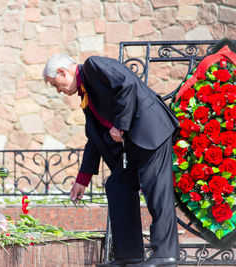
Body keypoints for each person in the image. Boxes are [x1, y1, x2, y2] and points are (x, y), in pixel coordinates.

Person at [42, 54, 180, 267]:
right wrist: (83, 178)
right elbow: (94, 138)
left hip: (152, 130)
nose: (58, 91)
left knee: (157, 190)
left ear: (62, 72)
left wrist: (120, 125)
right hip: (134, 143)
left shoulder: (93, 66)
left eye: (55, 85)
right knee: (118, 185)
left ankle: (165, 255)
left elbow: (128, 86)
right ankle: (129, 255)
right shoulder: (86, 96)